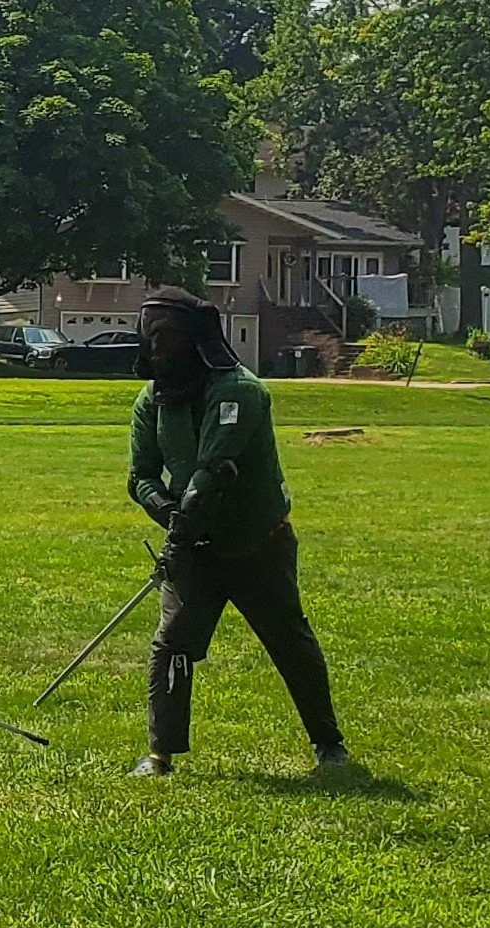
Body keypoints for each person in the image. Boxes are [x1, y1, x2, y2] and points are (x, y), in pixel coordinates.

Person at [125, 287, 351, 778]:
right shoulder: (151, 401)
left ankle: (329, 744)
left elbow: (212, 468)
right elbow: (140, 476)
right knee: (172, 642)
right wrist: (163, 508)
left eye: (166, 336)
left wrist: (188, 509)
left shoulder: (240, 392)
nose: (156, 346)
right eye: (150, 335)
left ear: (194, 338)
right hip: (194, 548)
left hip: (257, 544)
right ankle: (160, 753)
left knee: (289, 642)